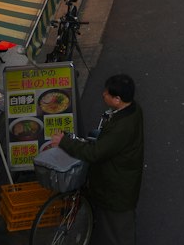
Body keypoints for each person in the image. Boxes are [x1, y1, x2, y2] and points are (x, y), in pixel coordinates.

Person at [54, 73, 144, 245]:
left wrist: (64, 142)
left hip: (117, 188)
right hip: (117, 180)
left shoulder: (122, 128)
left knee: (119, 232)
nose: (103, 94)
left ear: (117, 99)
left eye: (107, 93)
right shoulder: (132, 110)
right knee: (111, 227)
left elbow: (95, 153)